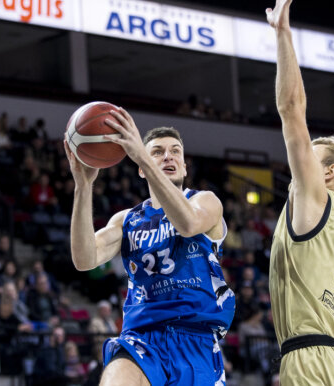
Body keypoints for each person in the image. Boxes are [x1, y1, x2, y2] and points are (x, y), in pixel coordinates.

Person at [64, 114, 235, 386]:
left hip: (196, 339)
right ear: (142, 170)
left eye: (175, 152)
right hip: (142, 337)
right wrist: (83, 187)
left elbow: (189, 223)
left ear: (184, 167)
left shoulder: (205, 201)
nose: (168, 156)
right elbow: (84, 259)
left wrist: (143, 156)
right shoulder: (127, 220)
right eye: (157, 152)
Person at [266, 0, 334, 385]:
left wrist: (282, 34)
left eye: (312, 157)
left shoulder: (316, 200)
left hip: (310, 359)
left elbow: (292, 108)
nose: (299, 163)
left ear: (329, 172)